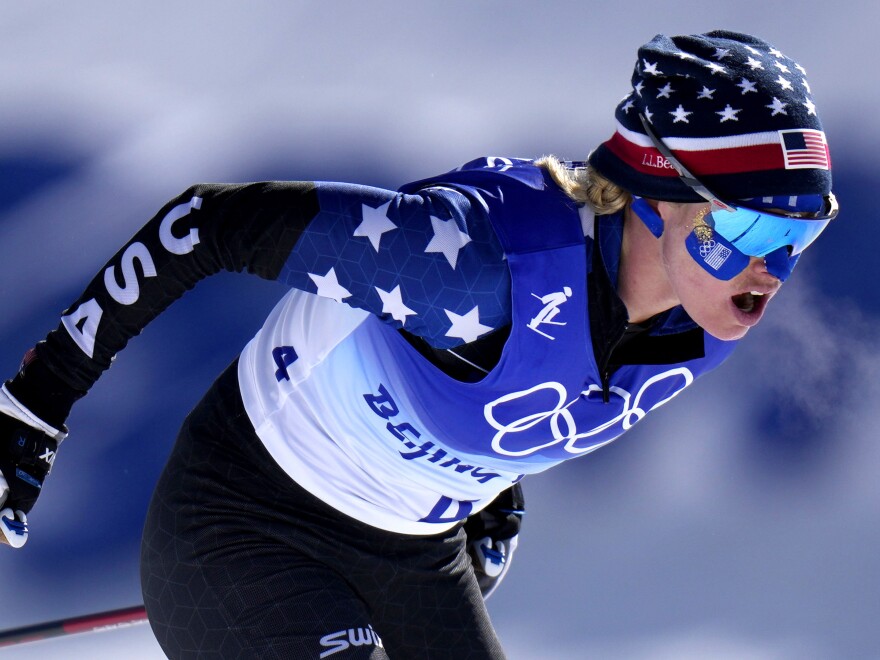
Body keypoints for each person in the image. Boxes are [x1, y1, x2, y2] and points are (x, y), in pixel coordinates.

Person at [0, 30, 837, 659]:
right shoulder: (473, 267)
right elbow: (205, 224)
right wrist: (36, 404)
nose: (771, 268)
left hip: (410, 553)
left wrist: (486, 488)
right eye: (747, 224)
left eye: (800, 235)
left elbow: (540, 381)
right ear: (653, 189)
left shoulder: (707, 313)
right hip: (243, 525)